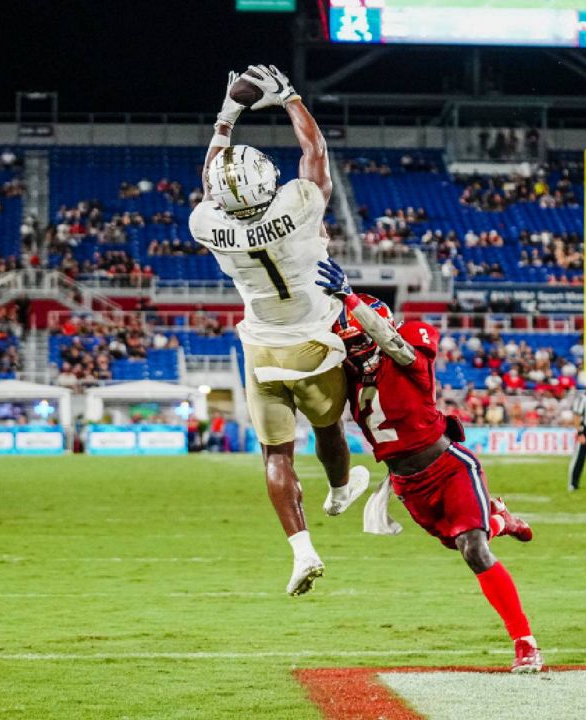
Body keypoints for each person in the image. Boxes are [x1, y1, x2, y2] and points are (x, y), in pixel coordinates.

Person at [188, 64, 369, 596]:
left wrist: (227, 115)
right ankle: (339, 491)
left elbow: (209, 181)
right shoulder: (299, 204)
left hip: (262, 345)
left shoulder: (209, 224)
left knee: (275, 456)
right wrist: (288, 96)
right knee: (328, 429)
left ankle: (302, 550)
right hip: (315, 341)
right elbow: (315, 155)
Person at [315, 258, 543, 674]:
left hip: (449, 465)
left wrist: (350, 298)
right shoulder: (349, 379)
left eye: (363, 338)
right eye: (352, 343)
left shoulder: (410, 341)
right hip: (407, 485)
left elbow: (395, 347)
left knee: (474, 551)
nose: (359, 348)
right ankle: (500, 519)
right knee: (460, 543)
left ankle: (525, 642)